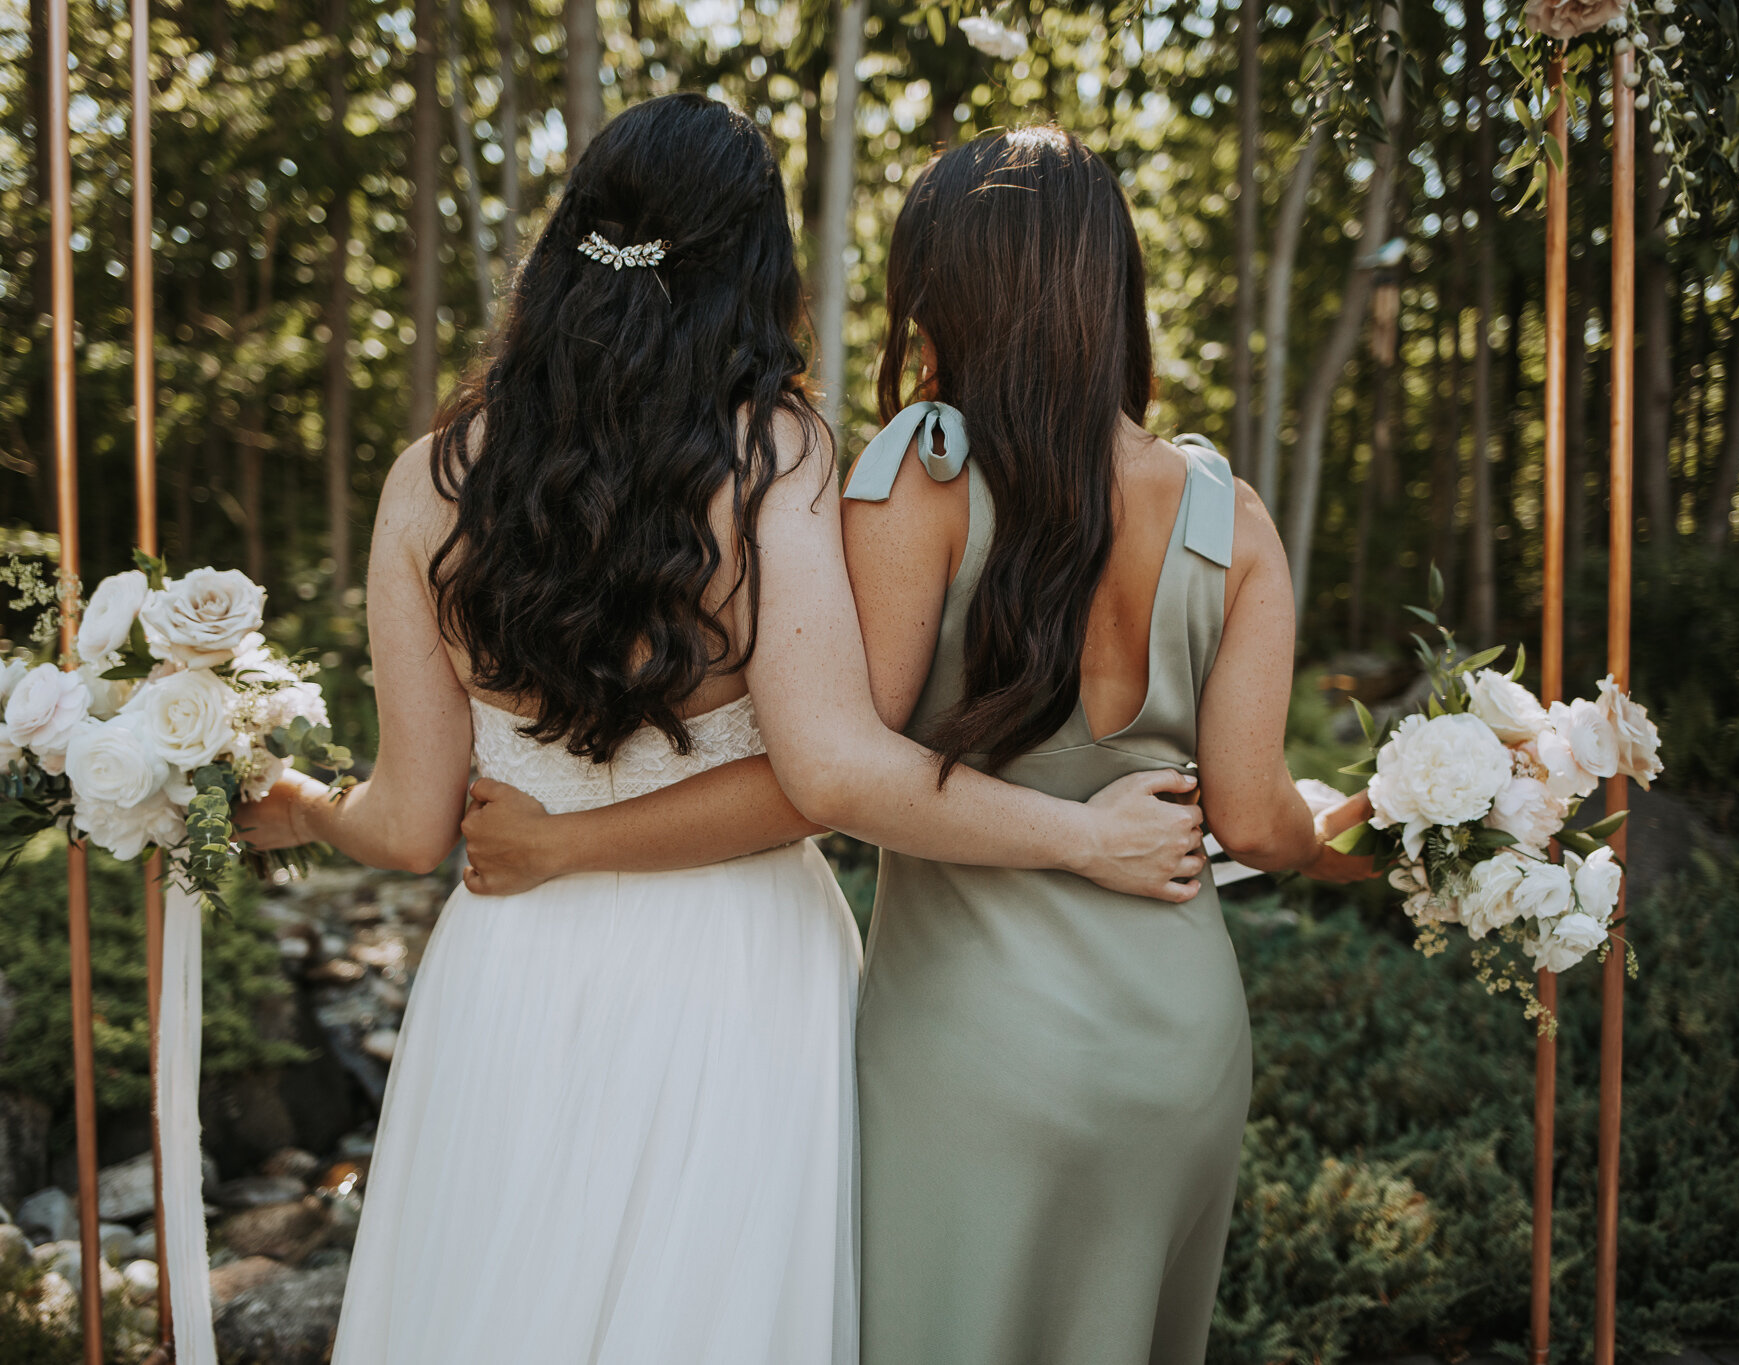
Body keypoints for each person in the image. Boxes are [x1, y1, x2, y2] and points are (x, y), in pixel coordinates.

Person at [242, 95, 1205, 1365]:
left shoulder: (429, 482)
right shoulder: (774, 457)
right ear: (756, 269)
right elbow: (823, 779)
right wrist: (1081, 835)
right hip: (735, 974)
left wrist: (288, 802)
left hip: (512, 967)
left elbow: (411, 821)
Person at [459, 124, 1373, 1365]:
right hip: (1181, 1041)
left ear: (937, 291)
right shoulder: (1229, 512)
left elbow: (835, 768)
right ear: (1113, 288)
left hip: (973, 1044)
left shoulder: (921, 468)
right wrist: (1410, 833)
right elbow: (1264, 823)